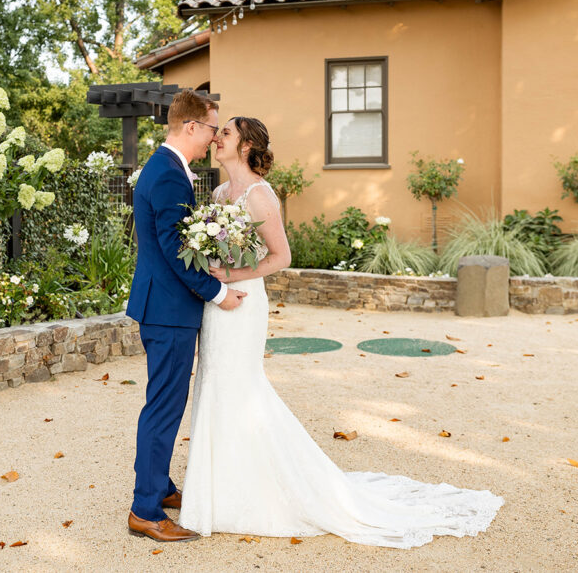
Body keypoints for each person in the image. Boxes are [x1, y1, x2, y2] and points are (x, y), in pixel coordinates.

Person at [177, 116, 504, 548]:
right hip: (218, 305)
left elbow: (281, 256)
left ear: (246, 145)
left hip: (245, 303)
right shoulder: (219, 193)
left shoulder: (260, 195)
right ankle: (216, 492)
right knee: (215, 386)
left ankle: (256, 491)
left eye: (226, 134)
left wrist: (231, 273)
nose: (216, 138)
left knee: (241, 388)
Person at [124, 90, 247, 543]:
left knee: (163, 403)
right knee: (164, 408)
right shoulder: (172, 176)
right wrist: (216, 292)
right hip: (169, 311)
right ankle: (145, 510)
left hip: (163, 306)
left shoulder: (165, 167)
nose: (215, 137)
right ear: (192, 126)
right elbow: (179, 253)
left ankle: (159, 486)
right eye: (213, 128)